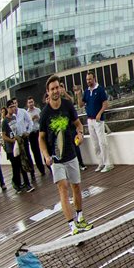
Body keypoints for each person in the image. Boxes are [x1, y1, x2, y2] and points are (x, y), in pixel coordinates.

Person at [39, 75, 92, 235]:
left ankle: (80, 218)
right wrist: (46, 155)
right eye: (52, 89)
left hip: (71, 153)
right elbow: (41, 138)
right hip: (56, 159)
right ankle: (72, 226)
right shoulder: (45, 113)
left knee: (76, 186)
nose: (55, 91)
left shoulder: (68, 105)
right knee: (63, 188)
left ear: (60, 89)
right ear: (48, 92)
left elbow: (78, 125)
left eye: (57, 88)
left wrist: (80, 134)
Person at [81, 71, 113, 172]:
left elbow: (105, 104)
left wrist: (99, 113)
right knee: (95, 143)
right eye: (87, 79)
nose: (88, 81)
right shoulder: (86, 91)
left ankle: (108, 163)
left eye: (90, 79)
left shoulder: (100, 90)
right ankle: (101, 163)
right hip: (90, 120)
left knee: (102, 142)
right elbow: (81, 104)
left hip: (98, 120)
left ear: (94, 79)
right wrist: (78, 94)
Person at [1, 100, 33, 193]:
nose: (13, 108)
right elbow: (3, 136)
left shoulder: (14, 118)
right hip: (11, 148)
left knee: (22, 164)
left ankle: (27, 184)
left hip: (18, 145)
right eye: (10, 107)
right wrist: (12, 140)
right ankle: (16, 183)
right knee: (16, 167)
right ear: (7, 109)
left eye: (13, 106)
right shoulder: (5, 121)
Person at [26, 96, 48, 177]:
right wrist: (31, 119)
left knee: (44, 149)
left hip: (39, 132)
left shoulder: (38, 110)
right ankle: (41, 170)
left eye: (32, 102)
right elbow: (26, 125)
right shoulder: (26, 113)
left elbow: (42, 120)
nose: (31, 104)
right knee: (36, 152)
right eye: (29, 102)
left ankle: (48, 165)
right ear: (27, 104)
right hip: (32, 134)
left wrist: (38, 118)